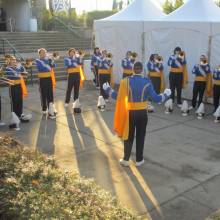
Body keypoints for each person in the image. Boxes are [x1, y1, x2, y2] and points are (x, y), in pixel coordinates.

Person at [103, 62, 171, 167]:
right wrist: (166, 94)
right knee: (140, 136)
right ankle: (139, 160)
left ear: (133, 69)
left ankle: (126, 159)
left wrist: (108, 89)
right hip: (143, 113)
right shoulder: (147, 82)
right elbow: (157, 99)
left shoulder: (126, 81)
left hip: (130, 113)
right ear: (142, 70)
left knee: (128, 136)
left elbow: (117, 97)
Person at [5, 56, 31, 129]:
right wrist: (19, 70)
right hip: (13, 87)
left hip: (19, 86)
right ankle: (14, 121)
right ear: (9, 61)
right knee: (14, 102)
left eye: (15, 60)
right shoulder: (8, 68)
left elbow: (25, 74)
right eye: (12, 60)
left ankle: (19, 116)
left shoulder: (18, 67)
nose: (14, 61)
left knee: (20, 101)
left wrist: (22, 67)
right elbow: (15, 75)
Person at [36, 48, 57, 119]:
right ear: (39, 54)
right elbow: (42, 68)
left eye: (45, 53)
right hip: (42, 79)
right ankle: (44, 108)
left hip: (49, 78)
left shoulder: (48, 60)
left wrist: (52, 59)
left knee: (50, 93)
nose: (44, 54)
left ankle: (51, 108)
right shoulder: (38, 60)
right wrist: (47, 61)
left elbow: (54, 66)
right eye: (42, 53)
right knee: (43, 94)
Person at [64, 48, 85, 113]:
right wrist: (75, 60)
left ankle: (76, 102)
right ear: (69, 53)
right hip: (71, 75)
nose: (73, 53)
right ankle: (67, 102)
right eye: (72, 52)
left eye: (74, 52)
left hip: (77, 75)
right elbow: (69, 64)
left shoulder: (77, 58)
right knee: (69, 89)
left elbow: (80, 64)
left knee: (76, 90)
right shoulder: (66, 59)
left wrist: (80, 57)